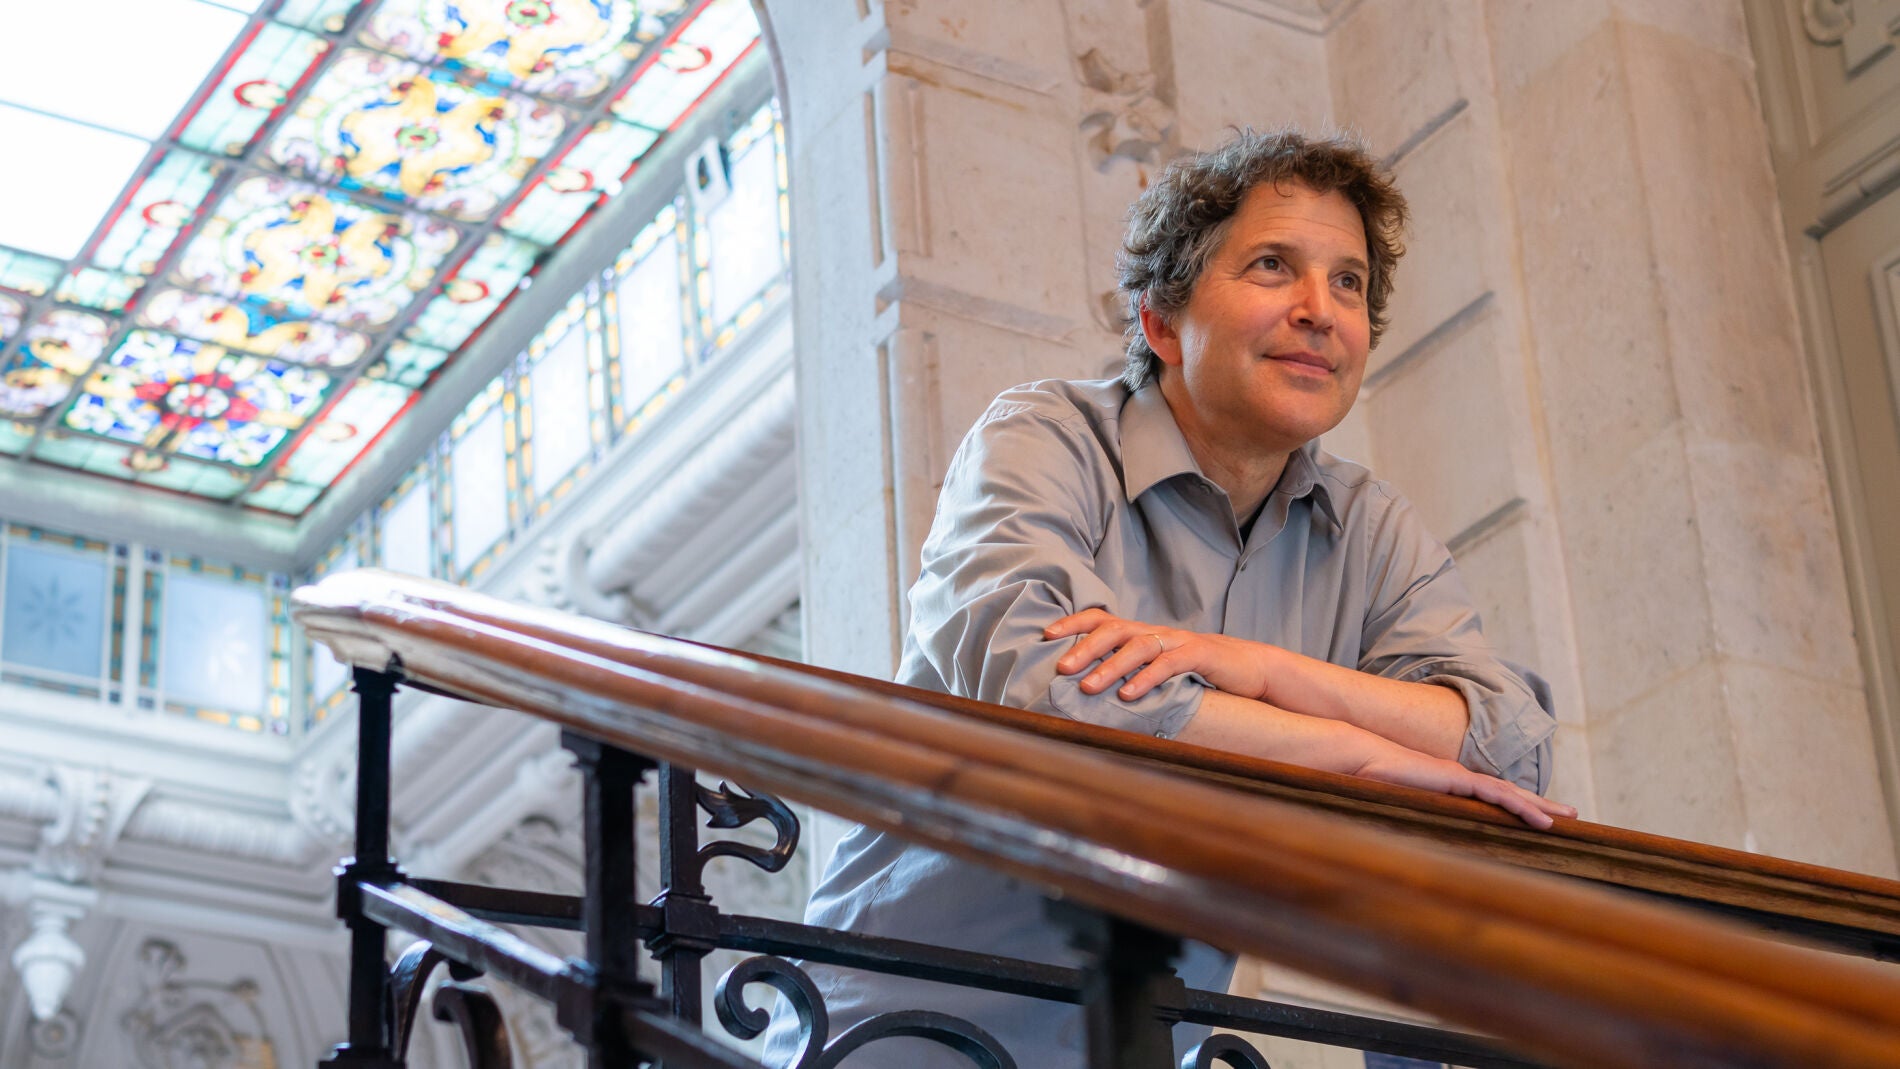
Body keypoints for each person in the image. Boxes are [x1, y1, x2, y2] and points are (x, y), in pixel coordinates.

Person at [760, 128, 1572, 1068]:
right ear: (1160, 324)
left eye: (1348, 281)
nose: (1320, 311)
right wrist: (1357, 750)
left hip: (1132, 1042)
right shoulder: (1045, 436)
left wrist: (1259, 669)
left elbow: (1507, 747)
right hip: (889, 1035)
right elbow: (1048, 689)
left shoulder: (1371, 529)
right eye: (1273, 266)